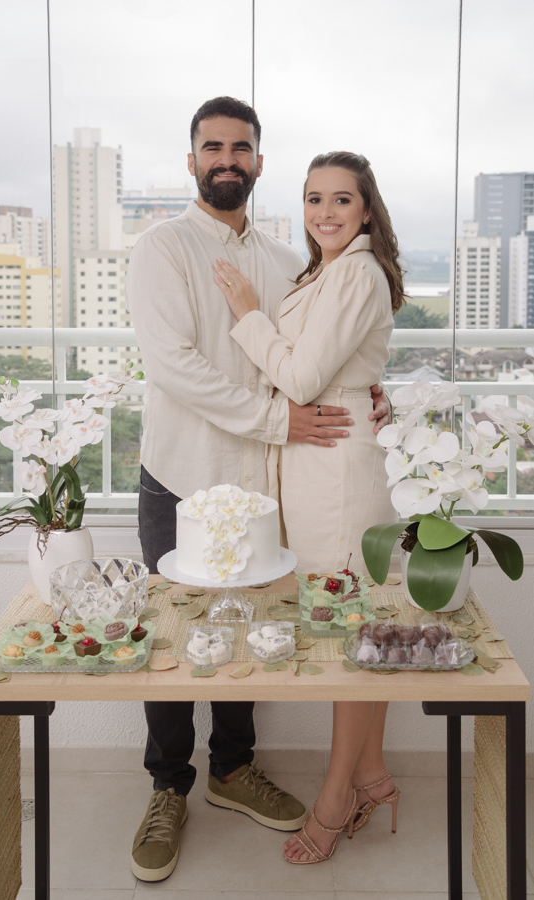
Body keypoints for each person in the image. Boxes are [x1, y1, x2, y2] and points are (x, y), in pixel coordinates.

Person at [126, 99, 391, 882]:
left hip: (260, 486)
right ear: (191, 161)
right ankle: (167, 787)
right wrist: (280, 419)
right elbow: (173, 363)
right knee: (173, 645)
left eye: (241, 147)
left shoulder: (287, 257)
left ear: (259, 162)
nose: (227, 159)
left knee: (245, 637)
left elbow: (318, 349)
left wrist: (369, 393)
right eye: (212, 147)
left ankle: (233, 770)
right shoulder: (161, 248)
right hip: (181, 476)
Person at [214, 151, 404, 864]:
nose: (324, 212)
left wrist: (245, 314)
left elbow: (299, 374)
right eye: (312, 198)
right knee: (361, 628)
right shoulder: (326, 273)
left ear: (365, 210)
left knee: (350, 637)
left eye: (340, 200)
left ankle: (336, 798)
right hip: (322, 456)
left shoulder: (354, 272)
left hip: (339, 470)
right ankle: (370, 772)